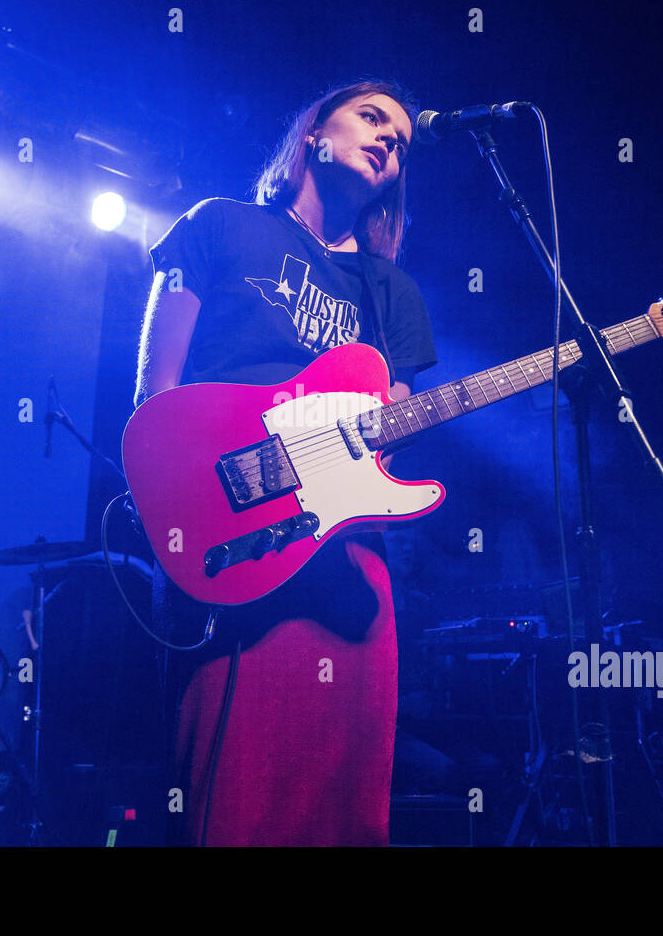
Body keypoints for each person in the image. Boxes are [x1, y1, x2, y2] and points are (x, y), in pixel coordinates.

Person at [132, 78, 438, 845]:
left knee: (343, 797)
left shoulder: (390, 290)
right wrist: (176, 508)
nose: (388, 142)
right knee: (235, 787)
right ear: (312, 134)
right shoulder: (220, 226)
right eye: (372, 119)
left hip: (340, 549)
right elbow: (155, 392)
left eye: (400, 142)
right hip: (230, 531)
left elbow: (388, 432)